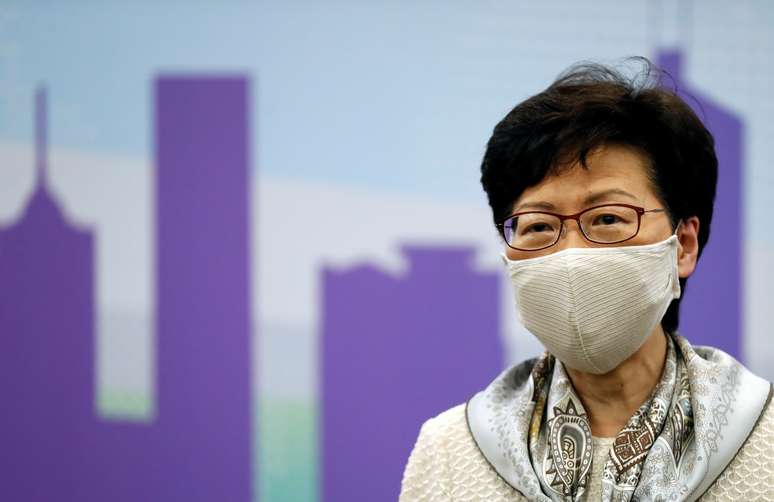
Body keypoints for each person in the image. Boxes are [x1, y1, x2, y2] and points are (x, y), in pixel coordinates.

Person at [398, 58, 774, 501]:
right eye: (538, 225)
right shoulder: (451, 450)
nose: (572, 253)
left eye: (608, 217)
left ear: (683, 245)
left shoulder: (762, 441)